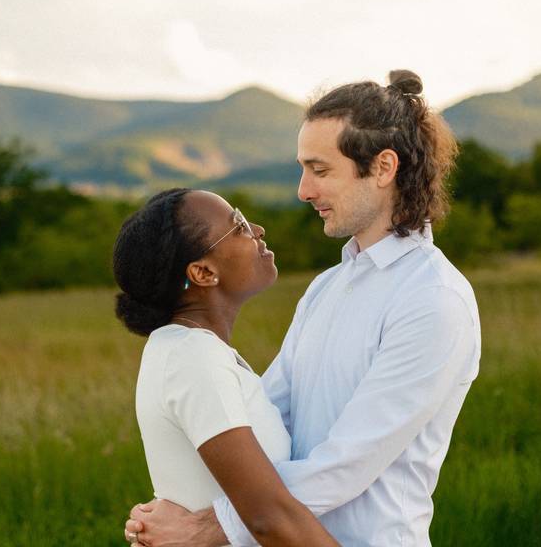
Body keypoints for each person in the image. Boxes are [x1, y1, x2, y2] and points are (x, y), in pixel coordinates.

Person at [124, 70, 481, 546]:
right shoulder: (325, 288)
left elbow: (345, 464)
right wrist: (179, 499)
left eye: (320, 170)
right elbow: (268, 418)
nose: (303, 190)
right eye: (302, 168)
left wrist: (208, 526)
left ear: (382, 168)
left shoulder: (432, 298)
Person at [113, 188, 339, 547]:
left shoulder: (186, 349)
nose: (258, 229)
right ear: (202, 272)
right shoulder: (193, 357)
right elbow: (267, 517)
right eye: (239, 226)